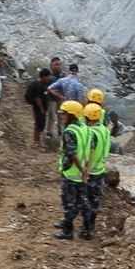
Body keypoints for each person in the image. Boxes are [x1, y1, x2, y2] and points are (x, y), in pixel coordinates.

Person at [54, 100, 90, 240]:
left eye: (64, 114)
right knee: (81, 200)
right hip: (81, 171)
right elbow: (88, 150)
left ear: (72, 115)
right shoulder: (84, 128)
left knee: (69, 202)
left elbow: (71, 153)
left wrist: (81, 170)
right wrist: (85, 169)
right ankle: (87, 228)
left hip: (72, 172)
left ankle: (67, 231)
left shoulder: (69, 131)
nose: (62, 117)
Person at [81, 102, 111, 240]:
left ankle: (86, 229)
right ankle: (91, 226)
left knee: (86, 201)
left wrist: (85, 172)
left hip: (91, 171)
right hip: (100, 170)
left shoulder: (91, 133)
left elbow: (89, 153)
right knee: (95, 200)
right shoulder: (104, 130)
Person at [24, 68, 54, 148]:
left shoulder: (43, 84)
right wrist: (42, 109)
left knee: (41, 124)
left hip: (41, 108)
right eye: (48, 77)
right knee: (38, 124)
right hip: (39, 108)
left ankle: (38, 141)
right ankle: (36, 142)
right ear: (44, 76)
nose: (49, 78)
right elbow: (38, 99)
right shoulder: (38, 85)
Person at [44, 57, 64, 139]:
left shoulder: (63, 76)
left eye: (59, 64)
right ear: (51, 66)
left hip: (60, 99)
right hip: (51, 99)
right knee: (51, 116)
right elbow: (47, 88)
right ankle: (49, 132)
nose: (58, 66)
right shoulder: (48, 76)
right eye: (56, 64)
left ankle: (60, 131)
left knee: (60, 116)